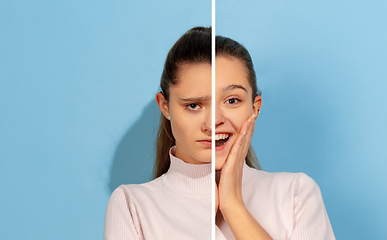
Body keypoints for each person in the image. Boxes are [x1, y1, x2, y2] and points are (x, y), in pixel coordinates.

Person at [104, 27, 335, 240]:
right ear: (165, 107)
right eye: (194, 105)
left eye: (232, 100)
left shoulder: (296, 194)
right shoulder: (131, 206)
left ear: (255, 108)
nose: (214, 122)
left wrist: (233, 205)